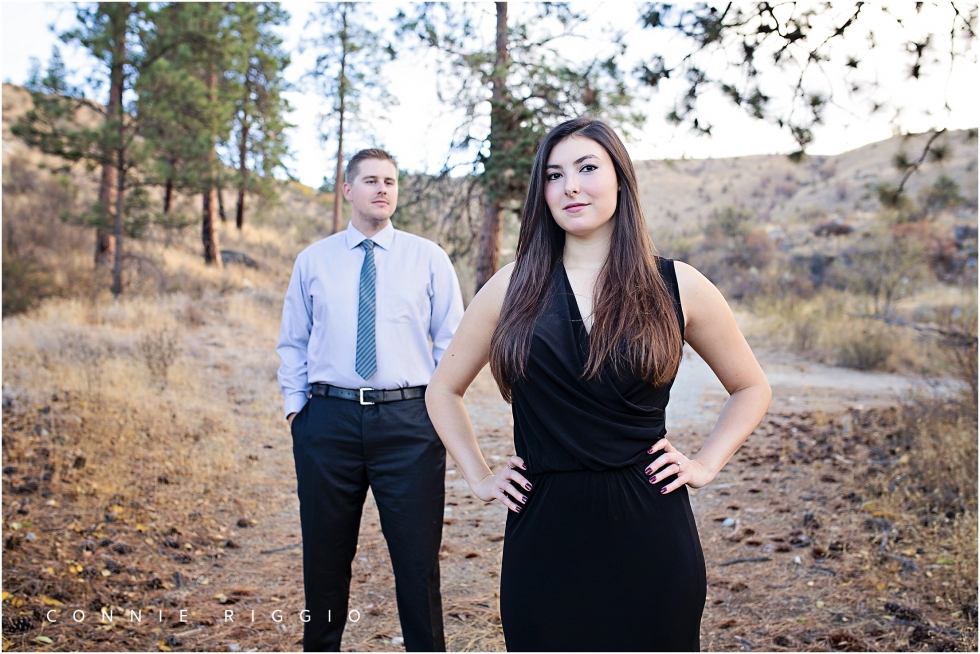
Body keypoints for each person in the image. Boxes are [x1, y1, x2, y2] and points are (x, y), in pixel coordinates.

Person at [424, 118, 772, 651]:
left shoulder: (677, 285)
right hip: (544, 532)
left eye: (588, 168)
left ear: (620, 180)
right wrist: (479, 475)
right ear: (541, 190)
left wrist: (704, 465)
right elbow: (442, 390)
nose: (570, 186)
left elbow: (751, 387)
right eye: (554, 174)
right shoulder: (510, 287)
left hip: (650, 531)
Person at [277, 148, 463, 652]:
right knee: (324, 559)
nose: (383, 189)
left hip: (409, 424)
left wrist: (437, 413)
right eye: (371, 180)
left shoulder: (428, 258)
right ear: (348, 190)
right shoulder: (313, 260)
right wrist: (298, 410)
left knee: (417, 561)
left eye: (391, 181)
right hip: (327, 423)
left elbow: (453, 342)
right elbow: (293, 340)